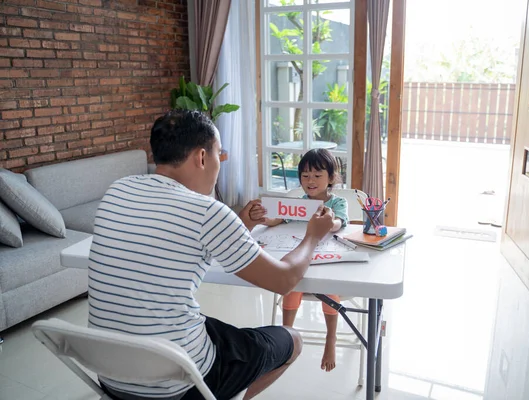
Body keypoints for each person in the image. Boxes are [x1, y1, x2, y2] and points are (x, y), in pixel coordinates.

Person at [87, 110, 334, 400]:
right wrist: (313, 236)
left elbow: (187, 242)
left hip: (110, 375)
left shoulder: (118, 190)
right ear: (202, 157)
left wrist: (243, 223)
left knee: (204, 322)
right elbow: (284, 281)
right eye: (220, 154)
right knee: (291, 339)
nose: (220, 163)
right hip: (177, 385)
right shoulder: (207, 211)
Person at [259, 149, 349, 372]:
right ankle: (285, 337)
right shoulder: (299, 203)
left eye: (318, 176)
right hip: (299, 255)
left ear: (331, 178)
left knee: (328, 287)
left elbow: (340, 222)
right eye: (305, 176)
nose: (311, 181)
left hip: (325, 257)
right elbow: (278, 219)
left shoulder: (337, 203)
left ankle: (331, 338)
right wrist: (264, 218)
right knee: (291, 285)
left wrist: (330, 222)